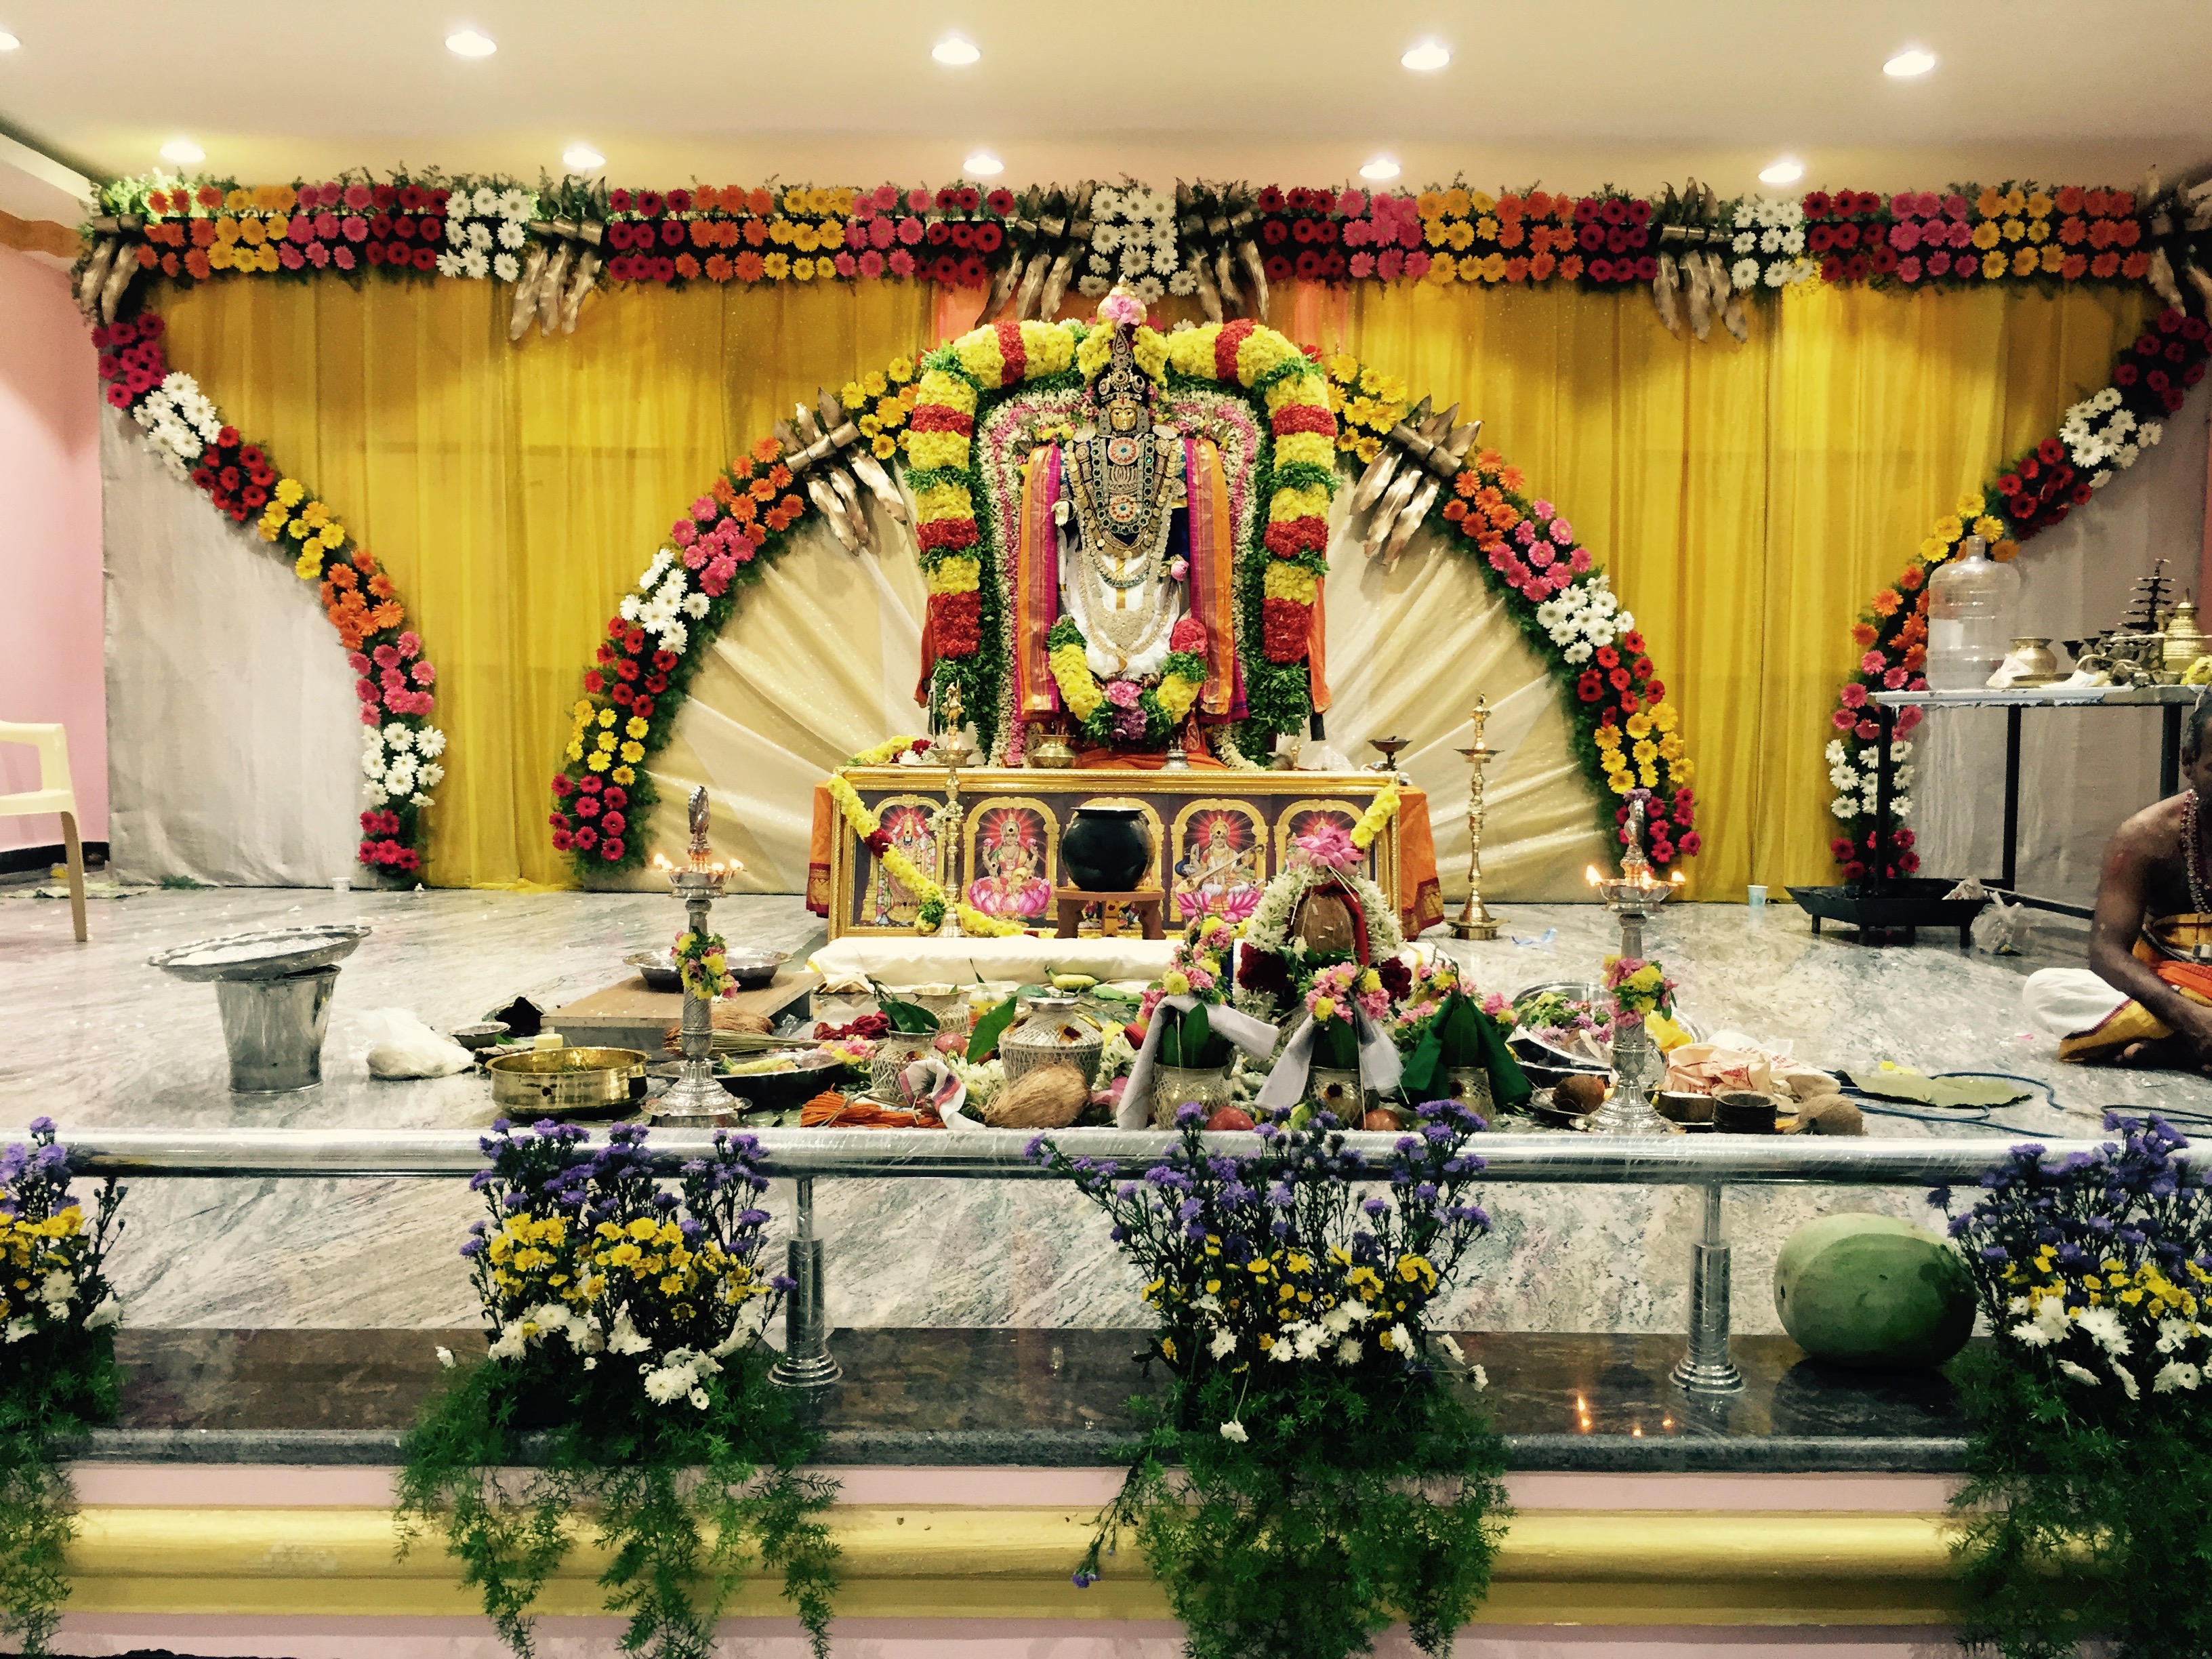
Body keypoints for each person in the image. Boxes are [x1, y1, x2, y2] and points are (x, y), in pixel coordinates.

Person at [2023, 691, 2212, 1066]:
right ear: (2188, 762)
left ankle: (2175, 1050)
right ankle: (2190, 1040)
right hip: (2174, 983)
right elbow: (2107, 951)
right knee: (2045, 990)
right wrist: (2192, 1019)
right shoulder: (2144, 838)